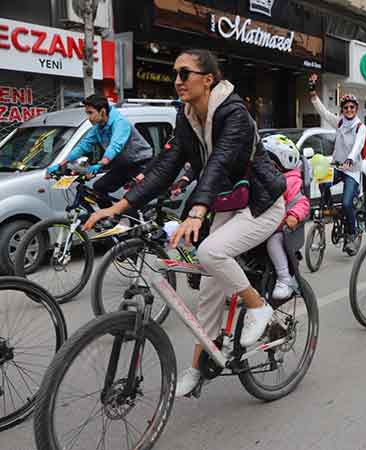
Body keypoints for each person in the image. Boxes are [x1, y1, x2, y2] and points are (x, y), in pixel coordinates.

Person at [82, 49, 287, 398]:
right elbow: (166, 165)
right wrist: (119, 205)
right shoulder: (187, 116)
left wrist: (196, 212)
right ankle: (199, 367)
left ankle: (259, 307)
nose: (178, 80)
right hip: (226, 202)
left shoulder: (234, 112)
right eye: (175, 73)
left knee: (210, 252)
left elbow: (220, 162)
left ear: (208, 79)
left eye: (185, 73)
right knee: (208, 292)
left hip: (262, 202)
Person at [46, 95, 153, 206]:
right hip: (124, 165)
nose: (88, 117)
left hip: (141, 164)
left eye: (90, 113)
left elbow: (115, 145)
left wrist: (100, 164)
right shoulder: (98, 128)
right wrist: (61, 163)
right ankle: (108, 219)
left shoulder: (120, 123)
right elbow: (83, 146)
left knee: (130, 200)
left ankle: (134, 221)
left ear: (102, 111)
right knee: (99, 188)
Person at [309, 73, 366, 256]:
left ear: (356, 109)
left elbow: (358, 145)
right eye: (346, 107)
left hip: (352, 170)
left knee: (347, 203)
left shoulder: (360, 127)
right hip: (338, 167)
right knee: (322, 182)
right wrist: (312, 92)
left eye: (352, 107)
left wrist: (350, 158)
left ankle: (352, 233)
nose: (349, 109)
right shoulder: (340, 122)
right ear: (342, 109)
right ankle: (329, 211)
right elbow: (323, 112)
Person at [261, 134, 310, 300]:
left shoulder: (291, 181)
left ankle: (285, 279)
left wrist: (294, 216)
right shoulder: (266, 177)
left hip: (283, 229)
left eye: (267, 161)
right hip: (266, 224)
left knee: (273, 243)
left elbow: (302, 203)